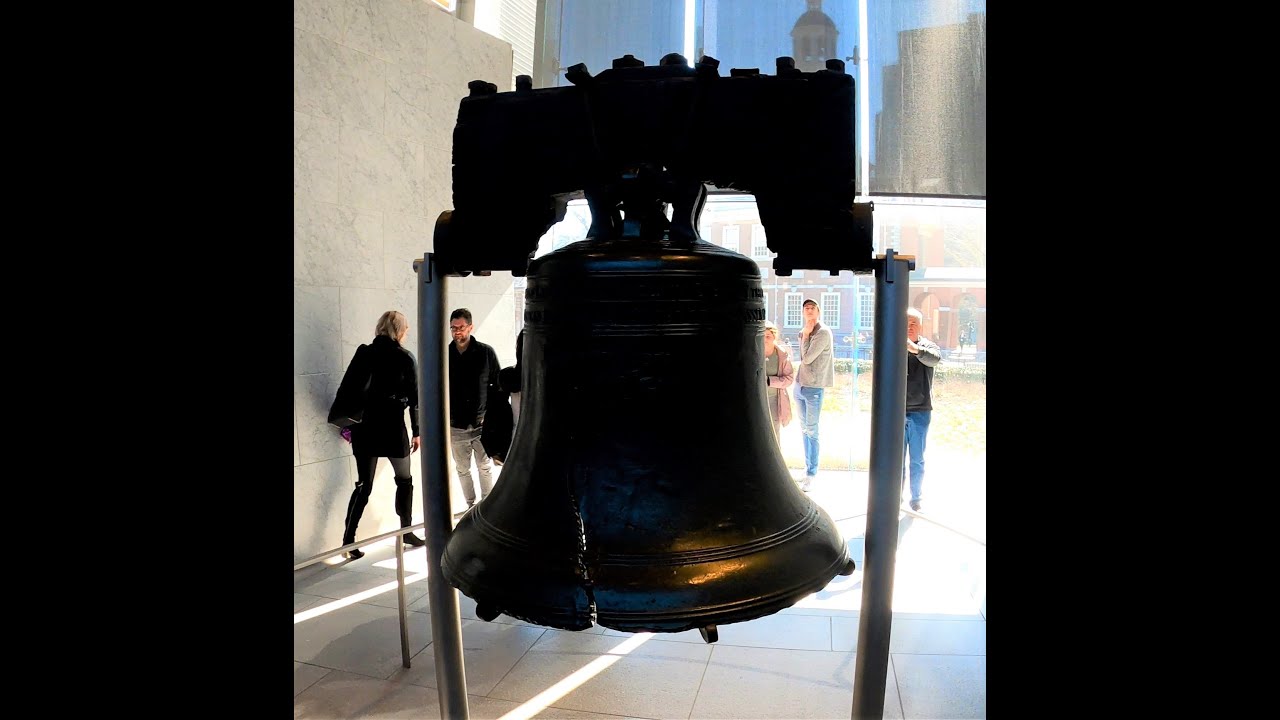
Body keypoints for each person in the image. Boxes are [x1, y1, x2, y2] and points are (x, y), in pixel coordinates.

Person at [341, 310, 424, 560]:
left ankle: (348, 540)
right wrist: (417, 431)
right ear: (399, 331)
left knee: (363, 484)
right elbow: (415, 399)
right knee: (404, 479)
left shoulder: (364, 352)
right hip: (391, 427)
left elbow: (348, 389)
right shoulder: (404, 357)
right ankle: (406, 530)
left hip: (364, 428)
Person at [449, 308, 500, 509]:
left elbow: (498, 386)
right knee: (462, 469)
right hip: (455, 423)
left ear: (470, 326)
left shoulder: (486, 353)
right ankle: (470, 506)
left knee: (484, 467)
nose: (456, 332)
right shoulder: (445, 354)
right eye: (453, 328)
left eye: (460, 327)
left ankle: (486, 506)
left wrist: (492, 416)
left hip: (481, 422)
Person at [904, 307, 942, 512]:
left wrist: (915, 349)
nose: (909, 327)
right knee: (895, 459)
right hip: (896, 412)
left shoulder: (928, 347)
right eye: (906, 323)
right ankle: (896, 497)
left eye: (913, 324)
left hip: (920, 411)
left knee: (917, 459)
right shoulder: (894, 345)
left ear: (920, 326)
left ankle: (916, 497)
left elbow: (935, 358)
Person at [795, 297, 833, 491]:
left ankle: (812, 472)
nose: (809, 311)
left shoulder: (822, 332)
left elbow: (807, 357)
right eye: (806, 308)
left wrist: (807, 335)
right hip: (800, 385)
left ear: (818, 311)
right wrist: (805, 334)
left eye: (812, 308)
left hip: (814, 387)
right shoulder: (805, 332)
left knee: (812, 430)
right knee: (804, 429)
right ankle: (807, 467)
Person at [762, 321, 795, 447]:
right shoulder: (754, 353)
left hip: (774, 400)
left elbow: (789, 378)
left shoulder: (781, 355)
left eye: (768, 336)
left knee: (774, 434)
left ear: (774, 337)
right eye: (762, 336)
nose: (765, 339)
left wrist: (770, 381)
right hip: (757, 399)